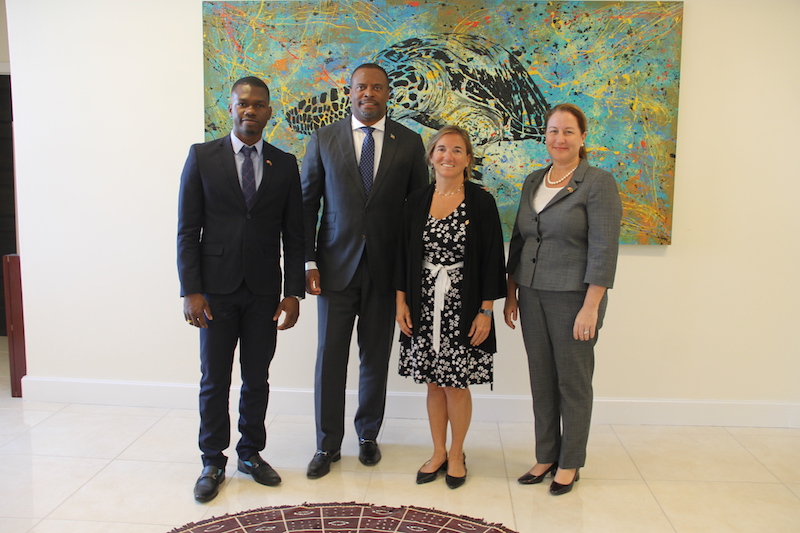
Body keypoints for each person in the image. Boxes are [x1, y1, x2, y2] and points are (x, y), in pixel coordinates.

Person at [177, 76, 305, 502]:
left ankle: (250, 453)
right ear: (230, 108)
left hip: (264, 292)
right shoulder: (202, 157)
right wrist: (191, 290)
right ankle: (212, 460)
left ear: (269, 111)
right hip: (214, 291)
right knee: (214, 378)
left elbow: (294, 233)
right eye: (243, 103)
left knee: (256, 378)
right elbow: (187, 230)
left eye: (259, 104)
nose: (250, 110)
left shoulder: (284, 163)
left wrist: (293, 292)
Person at [301, 63, 428, 478]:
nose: (368, 93)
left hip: (385, 272)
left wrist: (408, 276)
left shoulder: (409, 142)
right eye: (361, 87)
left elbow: (416, 214)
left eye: (376, 87)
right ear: (350, 92)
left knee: (375, 357)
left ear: (388, 93)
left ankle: (368, 435)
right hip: (333, 269)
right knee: (330, 358)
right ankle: (326, 444)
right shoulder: (324, 138)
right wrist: (308, 261)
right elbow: (307, 205)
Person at [504, 103, 622, 496]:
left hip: (574, 299)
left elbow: (604, 249)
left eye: (568, 131)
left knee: (572, 382)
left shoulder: (597, 183)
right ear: (545, 136)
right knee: (542, 378)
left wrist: (591, 306)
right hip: (531, 293)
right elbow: (520, 241)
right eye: (553, 131)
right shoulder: (533, 180)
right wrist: (511, 292)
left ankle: (569, 462)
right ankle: (545, 455)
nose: (560, 139)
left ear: (582, 137)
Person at [395, 125, 506, 489]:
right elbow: (403, 256)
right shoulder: (415, 201)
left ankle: (457, 453)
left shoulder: (481, 202)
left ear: (468, 159)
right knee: (433, 383)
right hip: (423, 304)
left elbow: (492, 259)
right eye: (442, 149)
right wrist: (401, 303)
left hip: (464, 305)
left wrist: (486, 311)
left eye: (457, 150)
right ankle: (438, 451)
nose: (448, 156)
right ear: (431, 156)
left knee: (456, 384)